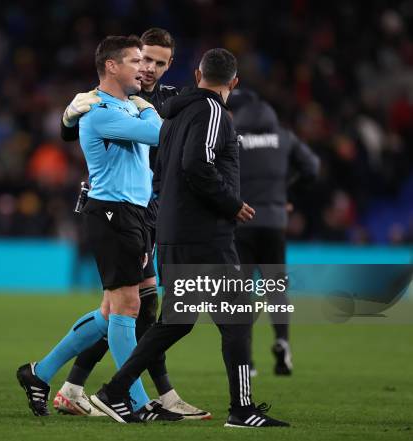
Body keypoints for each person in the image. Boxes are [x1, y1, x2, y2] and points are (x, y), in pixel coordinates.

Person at [89, 48, 289, 428]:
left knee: (175, 322)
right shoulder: (213, 112)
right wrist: (231, 204)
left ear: (197, 74)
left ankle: (115, 390)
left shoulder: (173, 116)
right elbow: (196, 164)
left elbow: (163, 172)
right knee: (238, 317)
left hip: (173, 234)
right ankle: (241, 410)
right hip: (205, 237)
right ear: (234, 82)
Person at [17, 35, 181, 422]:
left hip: (135, 214)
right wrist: (144, 111)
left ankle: (39, 374)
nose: (143, 68)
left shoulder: (125, 106)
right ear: (111, 66)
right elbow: (162, 135)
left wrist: (140, 109)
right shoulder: (100, 111)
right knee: (127, 307)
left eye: (148, 61)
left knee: (114, 312)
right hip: (113, 213)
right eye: (135, 60)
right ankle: (133, 401)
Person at [55, 28, 210, 419]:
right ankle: (156, 395)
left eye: (158, 62)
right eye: (145, 59)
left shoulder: (169, 99)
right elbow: (72, 131)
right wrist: (68, 114)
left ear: (170, 64)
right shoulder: (111, 99)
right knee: (137, 306)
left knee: (123, 308)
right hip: (124, 208)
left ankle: (70, 384)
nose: (149, 68)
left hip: (154, 209)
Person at [228, 89, 320, 376]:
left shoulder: (233, 138)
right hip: (274, 221)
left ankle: (247, 361)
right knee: (276, 289)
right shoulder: (284, 137)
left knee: (240, 292)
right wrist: (286, 192)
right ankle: (282, 342)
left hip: (241, 222)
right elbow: (313, 167)